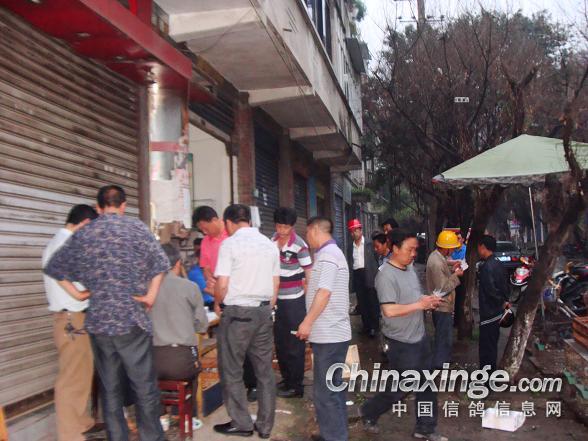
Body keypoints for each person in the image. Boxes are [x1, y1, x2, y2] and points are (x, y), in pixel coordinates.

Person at [45, 185, 170, 441]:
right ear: (123, 205)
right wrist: (151, 296)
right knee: (143, 386)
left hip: (99, 323)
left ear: (99, 207)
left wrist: (78, 294)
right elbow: (161, 265)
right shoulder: (137, 229)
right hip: (131, 319)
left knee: (110, 389)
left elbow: (54, 267)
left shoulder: (86, 233)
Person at [360, 229, 447, 441]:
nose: (413, 254)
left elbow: (413, 298)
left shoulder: (410, 269)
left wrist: (427, 301)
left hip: (419, 338)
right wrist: (419, 305)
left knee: (426, 384)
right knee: (399, 389)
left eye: (415, 249)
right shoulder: (385, 276)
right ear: (395, 248)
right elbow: (389, 310)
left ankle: (425, 427)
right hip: (400, 343)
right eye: (410, 249)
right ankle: (369, 411)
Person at [213, 204, 280, 439]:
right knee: (265, 371)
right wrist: (267, 309)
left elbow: (222, 284)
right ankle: (265, 426)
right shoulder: (269, 245)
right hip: (263, 312)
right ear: (249, 221)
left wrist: (218, 303)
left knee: (231, 368)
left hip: (237, 314)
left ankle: (241, 423)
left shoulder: (229, 244)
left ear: (229, 223)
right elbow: (275, 283)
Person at [42, 204, 100, 441]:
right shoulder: (66, 246)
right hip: (72, 320)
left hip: (73, 319)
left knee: (81, 375)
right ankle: (70, 435)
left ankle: (82, 424)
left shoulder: (60, 242)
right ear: (85, 224)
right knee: (71, 379)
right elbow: (82, 287)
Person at [193, 205, 258, 400]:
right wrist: (210, 280)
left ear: (215, 220)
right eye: (201, 229)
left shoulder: (233, 237)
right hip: (221, 297)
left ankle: (252, 384)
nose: (204, 232)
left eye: (205, 227)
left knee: (246, 343)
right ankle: (232, 386)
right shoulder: (206, 242)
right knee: (228, 345)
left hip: (240, 296)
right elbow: (205, 267)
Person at [297, 217, 351, 441]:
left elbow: (325, 292)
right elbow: (324, 289)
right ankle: (335, 433)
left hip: (330, 335)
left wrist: (307, 322)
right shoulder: (329, 254)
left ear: (314, 230)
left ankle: (334, 436)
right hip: (332, 334)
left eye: (307, 233)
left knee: (326, 393)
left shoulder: (328, 255)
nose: (307, 238)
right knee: (333, 389)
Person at [151, 244, 208, 381]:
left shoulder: (146, 289)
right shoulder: (190, 287)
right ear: (178, 263)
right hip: (181, 360)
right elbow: (202, 326)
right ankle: (192, 395)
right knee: (195, 368)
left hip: (151, 361)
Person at [272, 207, 312, 398]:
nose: (282, 230)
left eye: (285, 227)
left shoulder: (300, 245)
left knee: (294, 345)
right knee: (280, 343)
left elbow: (309, 274)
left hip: (294, 302)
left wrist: (308, 303)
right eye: (279, 226)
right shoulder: (271, 242)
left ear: (292, 226)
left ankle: (296, 386)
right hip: (276, 301)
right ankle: (286, 379)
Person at [425, 230, 464, 368]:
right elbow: (443, 287)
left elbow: (443, 272)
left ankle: (444, 360)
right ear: (446, 248)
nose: (453, 250)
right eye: (452, 248)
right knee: (443, 337)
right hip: (441, 305)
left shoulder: (438, 257)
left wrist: (452, 268)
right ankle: (440, 364)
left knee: (445, 336)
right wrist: (456, 275)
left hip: (442, 305)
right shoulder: (436, 262)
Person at [477, 234, 510, 371]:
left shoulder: (487, 267)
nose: (478, 250)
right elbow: (505, 285)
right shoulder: (499, 264)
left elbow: (491, 290)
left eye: (479, 247)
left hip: (489, 313)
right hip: (497, 313)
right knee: (492, 345)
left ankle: (486, 376)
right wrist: (505, 301)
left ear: (483, 247)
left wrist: (501, 301)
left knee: (486, 348)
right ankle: (489, 373)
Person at [348, 219, 379, 337]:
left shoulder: (370, 244)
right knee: (362, 302)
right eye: (351, 231)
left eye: (356, 230)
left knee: (372, 301)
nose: (354, 233)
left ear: (361, 230)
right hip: (358, 275)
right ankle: (366, 326)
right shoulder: (350, 247)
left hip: (369, 273)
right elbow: (351, 262)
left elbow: (376, 259)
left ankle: (374, 327)